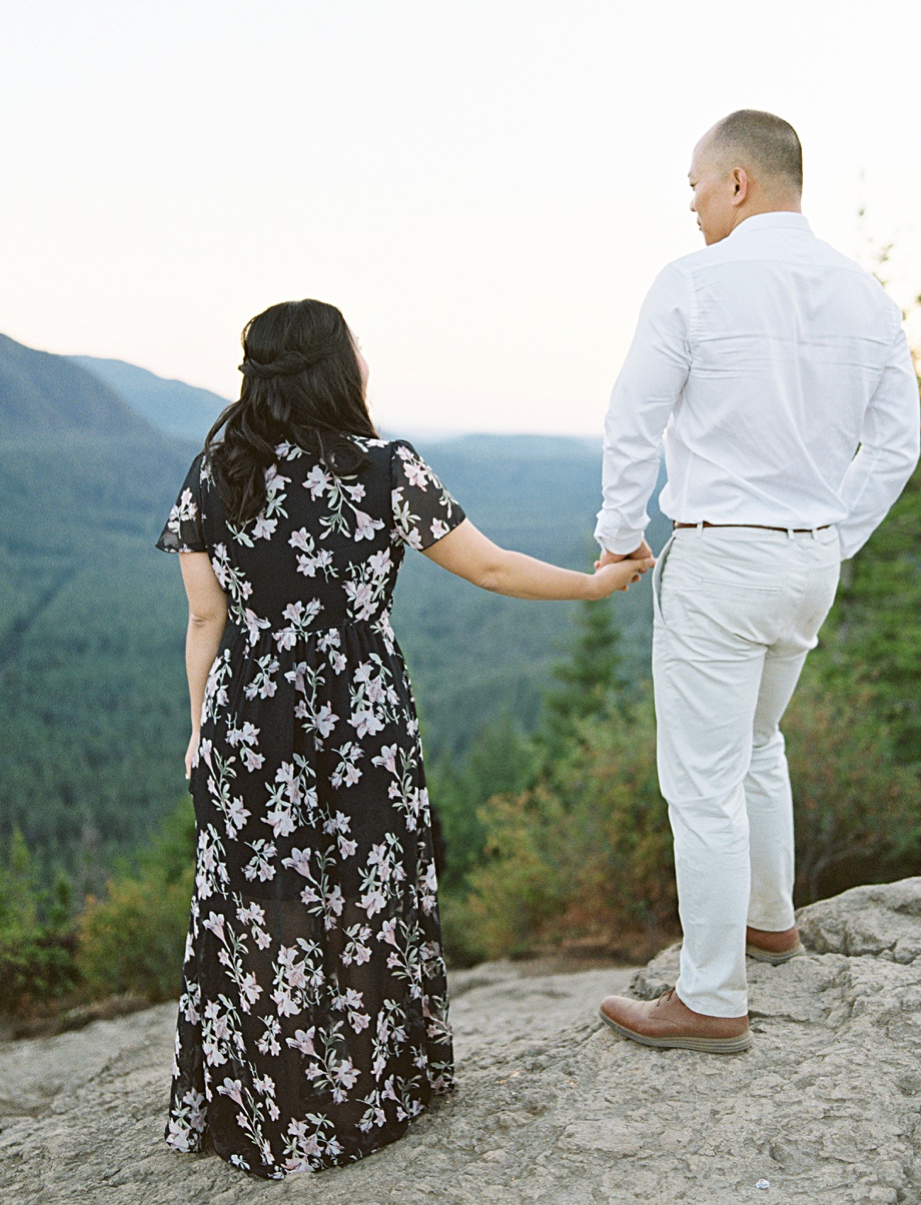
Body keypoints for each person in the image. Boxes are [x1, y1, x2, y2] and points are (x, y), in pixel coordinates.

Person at [156, 298, 651, 1178]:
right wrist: (594, 584)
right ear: (335, 368)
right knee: (368, 896)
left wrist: (199, 730)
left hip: (247, 720)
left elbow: (205, 617)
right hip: (360, 719)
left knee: (260, 908)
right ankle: (368, 1093)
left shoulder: (215, 472)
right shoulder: (383, 469)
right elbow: (489, 566)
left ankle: (265, 1109)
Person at [593, 110, 921, 1053]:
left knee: (702, 784)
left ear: (737, 181)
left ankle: (710, 997)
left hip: (722, 557)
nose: (692, 205)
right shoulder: (865, 295)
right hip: (809, 560)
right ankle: (770, 921)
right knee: (756, 741)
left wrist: (620, 536)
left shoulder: (694, 282)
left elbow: (633, 417)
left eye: (696, 185)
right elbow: (895, 445)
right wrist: (833, 536)